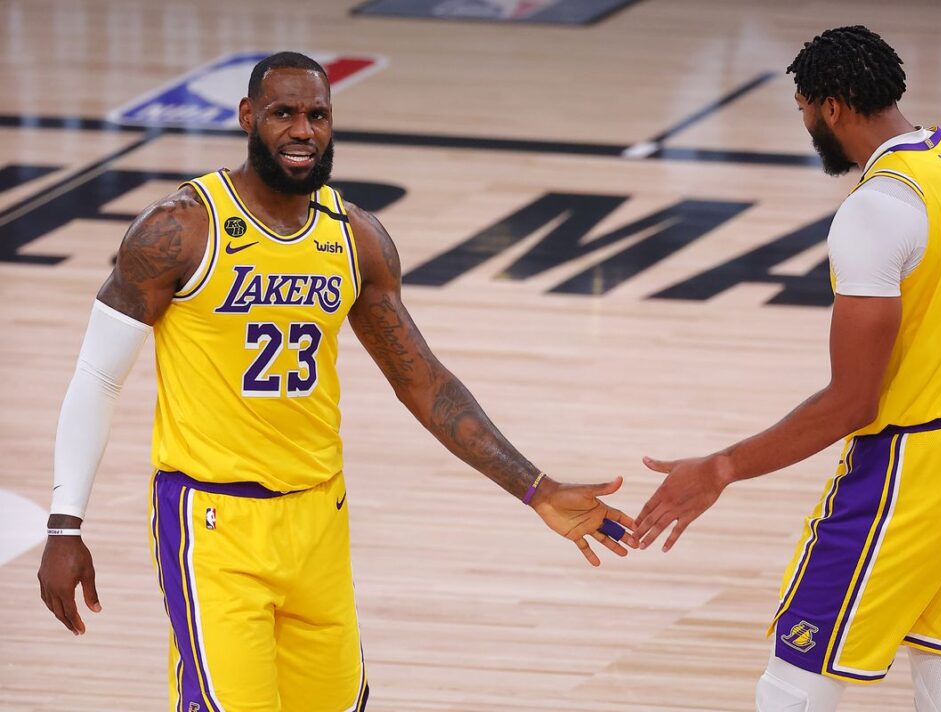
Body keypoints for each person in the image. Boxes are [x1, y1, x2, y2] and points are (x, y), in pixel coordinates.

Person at [37, 51, 635, 712]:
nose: (303, 130)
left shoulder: (355, 238)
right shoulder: (179, 229)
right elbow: (98, 377)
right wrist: (64, 527)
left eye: (317, 115)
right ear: (247, 117)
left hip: (319, 518)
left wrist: (534, 487)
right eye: (283, 113)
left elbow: (424, 382)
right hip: (212, 522)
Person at [631, 26, 941, 712]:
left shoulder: (874, 211)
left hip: (916, 470)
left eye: (803, 110)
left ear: (832, 107)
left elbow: (853, 402)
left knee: (792, 687)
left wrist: (721, 467)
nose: (806, 127)